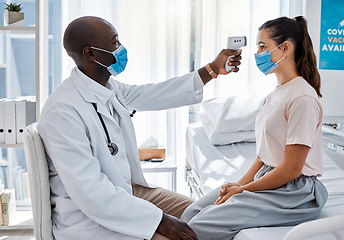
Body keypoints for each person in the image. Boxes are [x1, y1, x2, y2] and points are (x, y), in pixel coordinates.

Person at [37, 16, 242, 240]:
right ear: (90, 54)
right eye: (115, 43)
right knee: (184, 236)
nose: (121, 49)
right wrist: (160, 220)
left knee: (207, 216)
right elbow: (90, 193)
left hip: (127, 192)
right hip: (88, 218)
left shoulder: (107, 87)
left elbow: (154, 94)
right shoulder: (63, 111)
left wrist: (211, 70)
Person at [180, 16, 328, 240]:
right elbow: (264, 155)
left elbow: (291, 169)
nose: (257, 53)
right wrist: (239, 184)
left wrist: (245, 190)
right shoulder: (275, 95)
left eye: (262, 47)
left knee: (197, 227)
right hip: (270, 177)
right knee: (191, 214)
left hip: (294, 190)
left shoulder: (302, 98)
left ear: (285, 47)